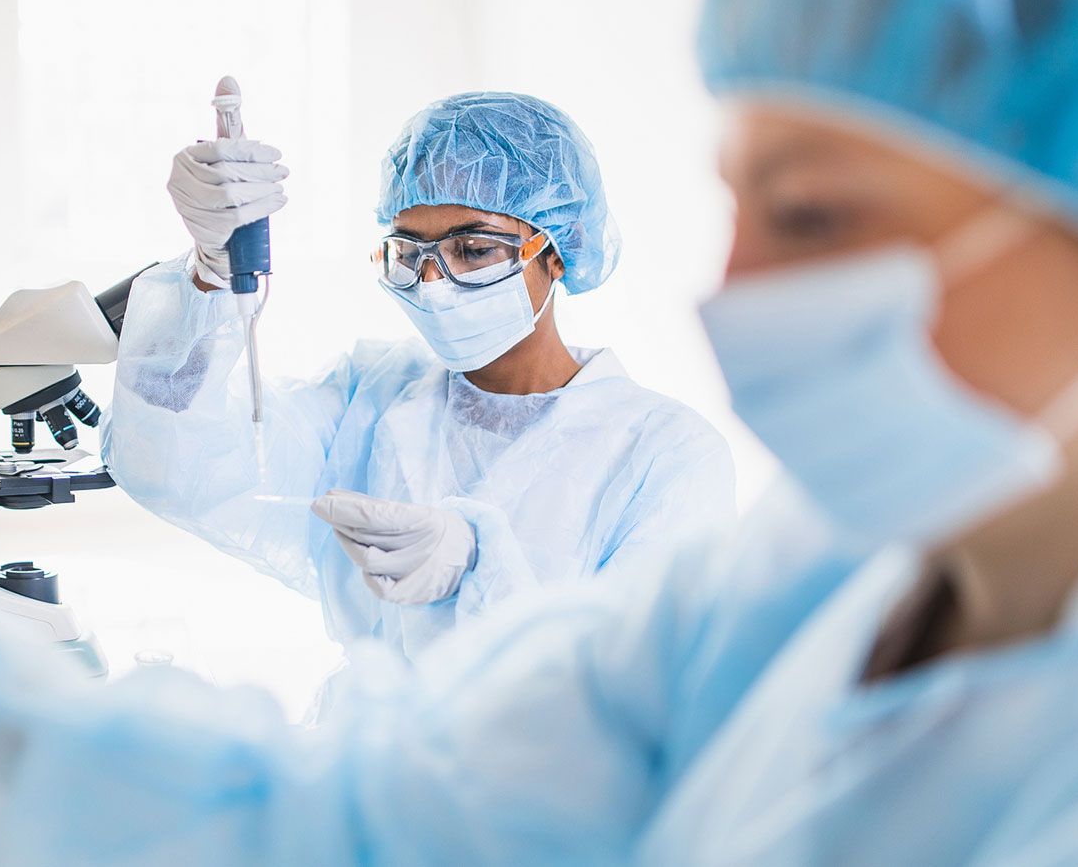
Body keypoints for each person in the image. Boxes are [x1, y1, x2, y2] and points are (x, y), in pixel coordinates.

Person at [0, 0, 1078, 861]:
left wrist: (484, 569)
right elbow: (372, 803)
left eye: (818, 219)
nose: (737, 287)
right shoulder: (811, 578)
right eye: (736, 210)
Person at [104, 92, 735, 659]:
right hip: (365, 763)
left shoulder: (667, 454)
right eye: (410, 251)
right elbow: (177, 463)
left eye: (474, 248)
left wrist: (480, 571)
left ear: (559, 252)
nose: (432, 282)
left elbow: (645, 685)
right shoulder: (370, 394)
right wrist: (210, 275)